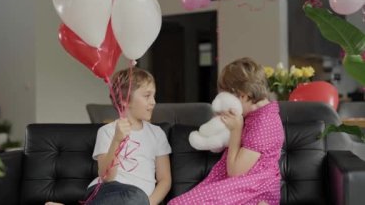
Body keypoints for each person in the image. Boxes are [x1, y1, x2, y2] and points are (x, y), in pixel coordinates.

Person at [46, 67, 171, 205]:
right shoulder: (107, 131)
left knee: (136, 196)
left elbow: (165, 179)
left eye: (154, 96)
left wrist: (149, 203)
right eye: (147, 96)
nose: (153, 102)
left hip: (140, 200)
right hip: (107, 191)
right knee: (133, 195)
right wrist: (117, 140)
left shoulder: (157, 133)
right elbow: (107, 177)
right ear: (125, 100)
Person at [167, 57, 284, 205]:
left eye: (226, 95)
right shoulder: (255, 116)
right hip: (247, 187)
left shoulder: (264, 122)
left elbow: (235, 172)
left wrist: (236, 130)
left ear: (243, 95)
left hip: (254, 189)